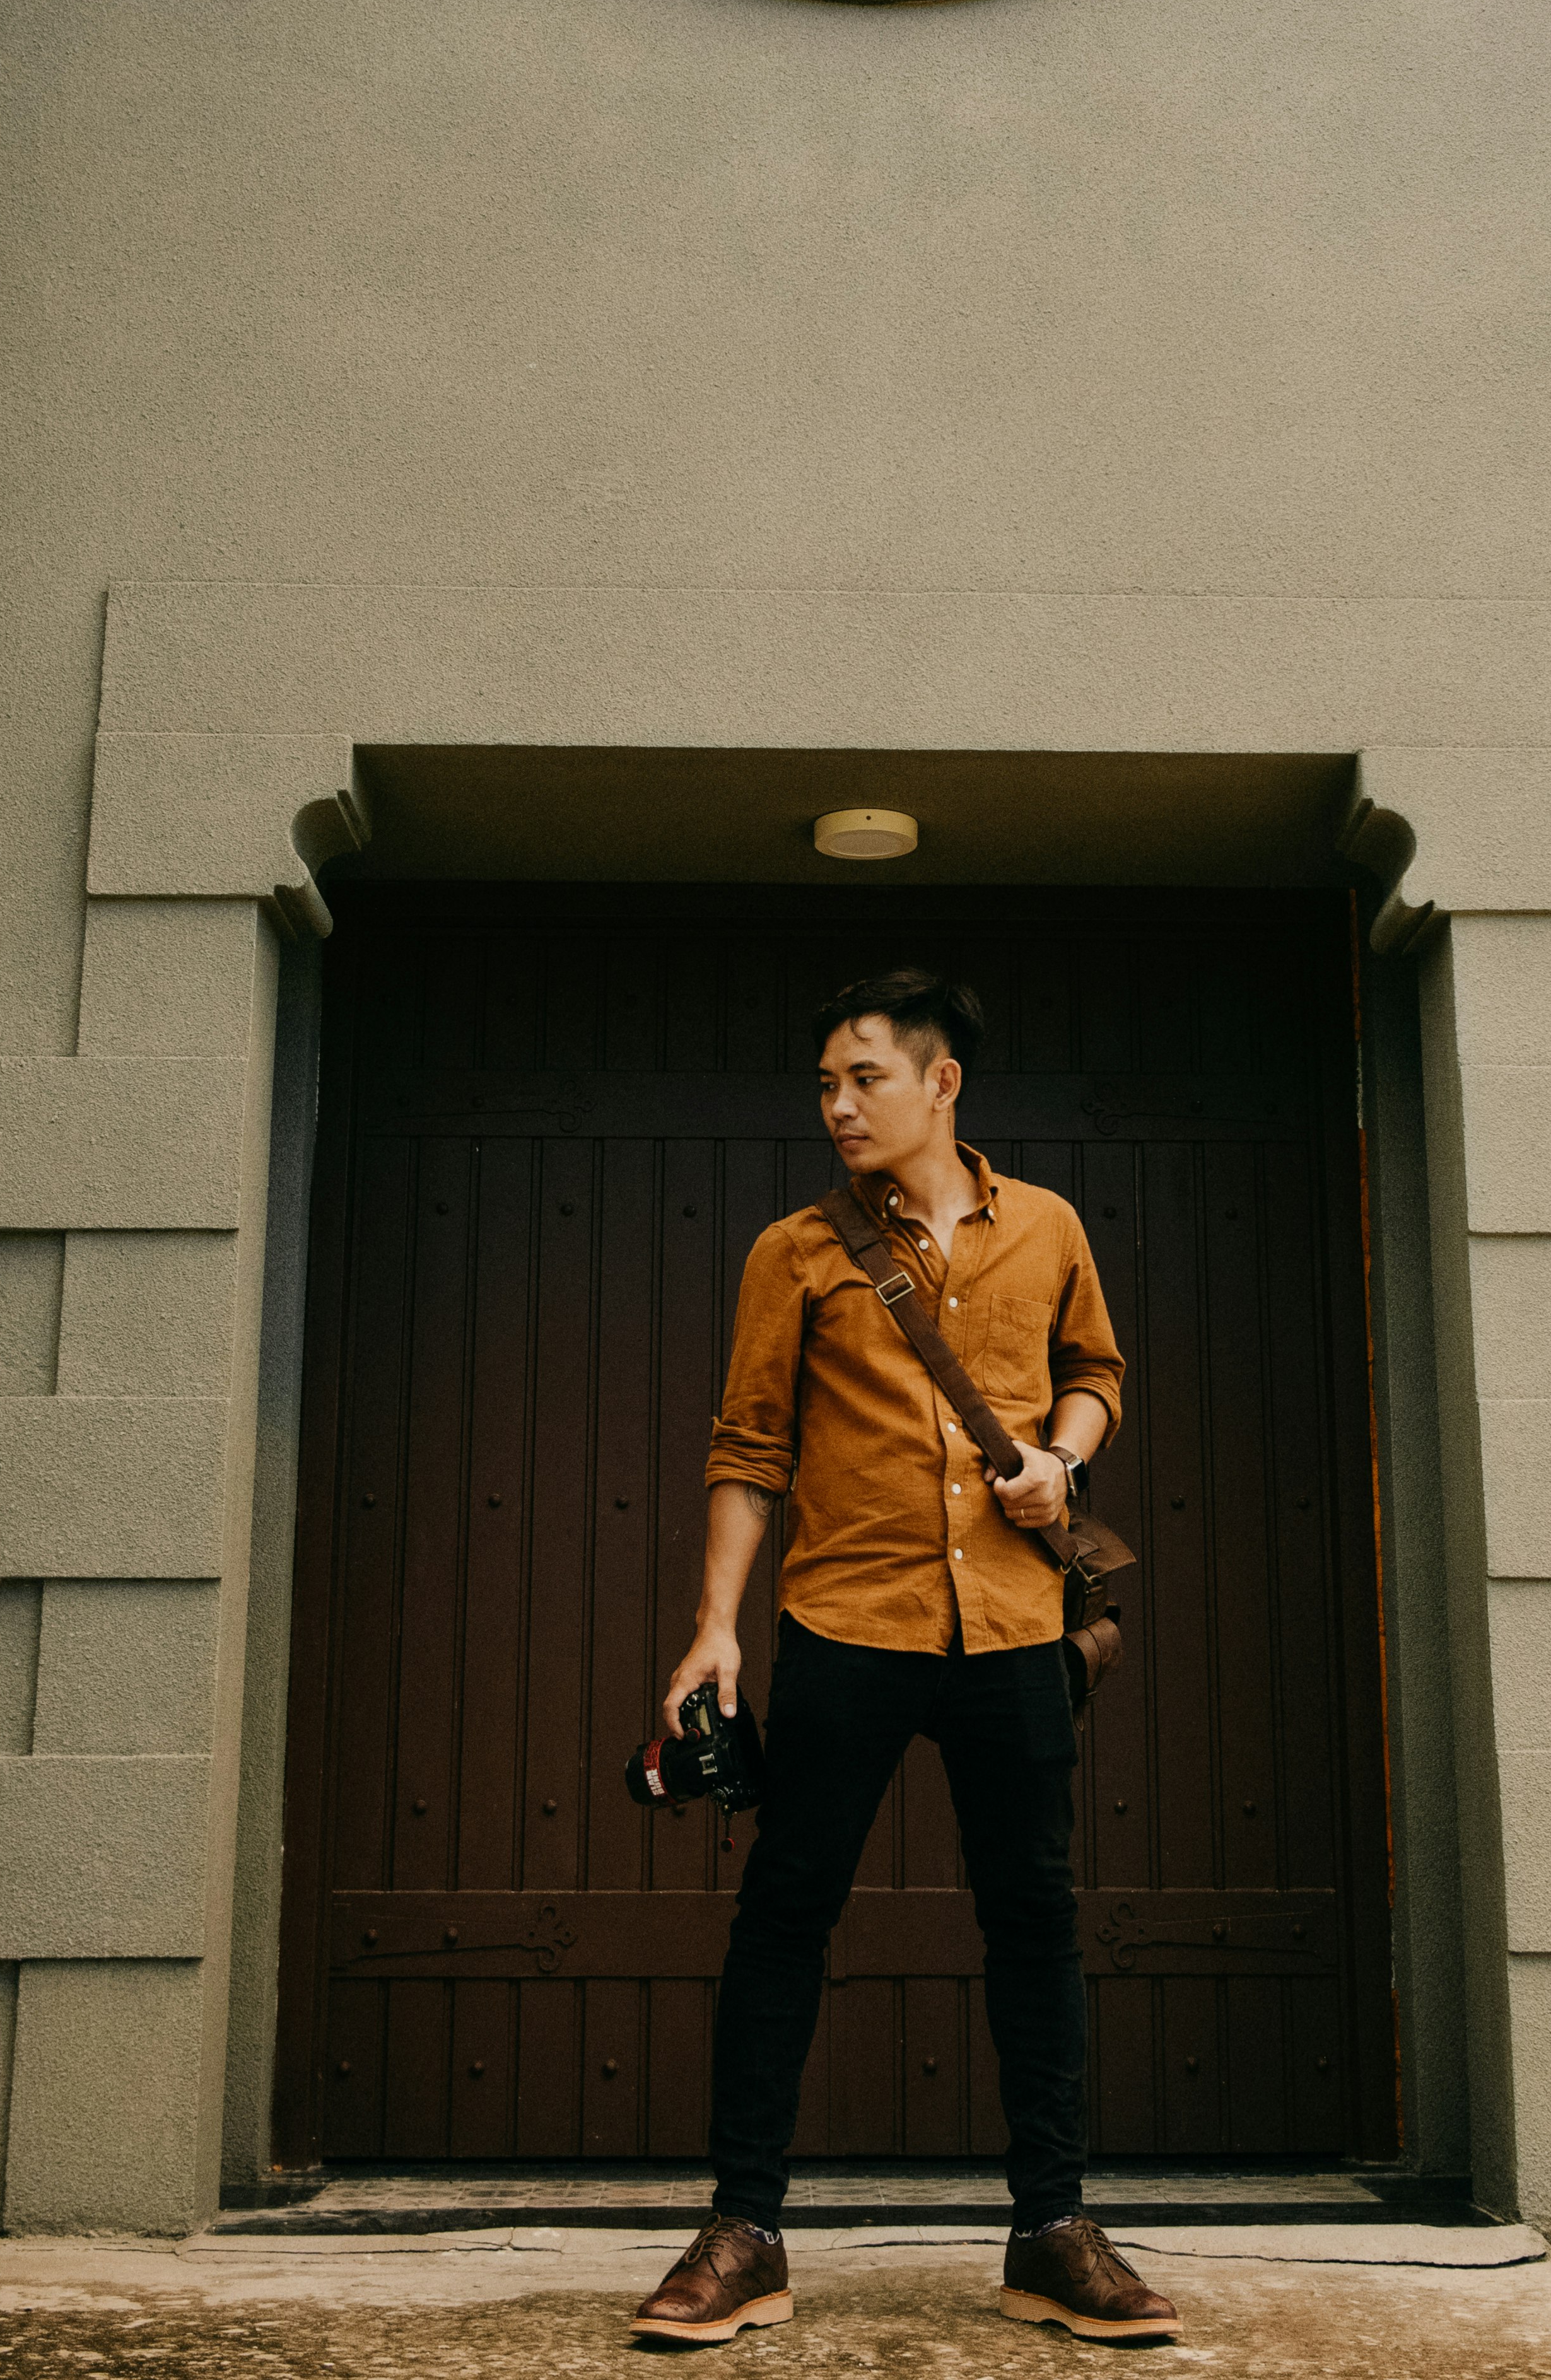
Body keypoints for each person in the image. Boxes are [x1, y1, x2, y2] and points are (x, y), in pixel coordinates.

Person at [628, 967, 1179, 2347]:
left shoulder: (1045, 1227)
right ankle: (743, 2229)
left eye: (861, 1076)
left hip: (1010, 1624)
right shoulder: (794, 1250)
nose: (836, 1104)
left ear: (941, 1082)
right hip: (844, 1623)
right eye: (824, 1082)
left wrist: (1061, 1456)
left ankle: (1052, 2228)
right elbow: (749, 1447)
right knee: (787, 1914)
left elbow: (1096, 1370)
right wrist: (714, 1626)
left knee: (1033, 1917)